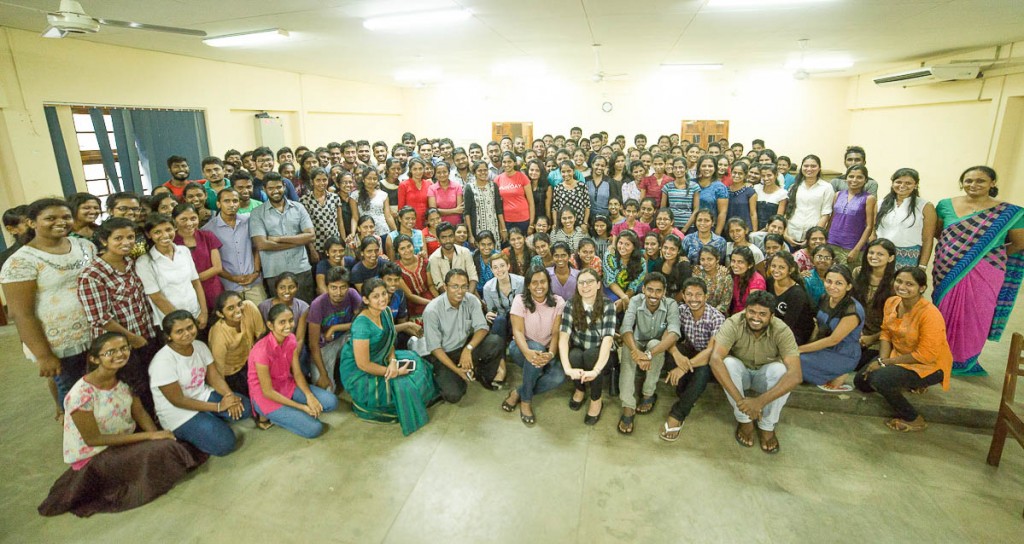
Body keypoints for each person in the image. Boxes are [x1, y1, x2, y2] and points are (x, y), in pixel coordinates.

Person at [37, 332, 206, 518]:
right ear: (94, 358)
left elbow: (139, 412)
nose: (119, 354)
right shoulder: (80, 395)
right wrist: (151, 436)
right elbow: (94, 439)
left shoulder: (125, 378)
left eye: (124, 348)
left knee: (169, 443)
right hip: (96, 455)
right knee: (164, 449)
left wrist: (158, 434)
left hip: (122, 440)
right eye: (110, 352)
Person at [1, 199, 97, 416]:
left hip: (94, 333)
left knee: (97, 391)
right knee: (75, 399)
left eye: (66, 217)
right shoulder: (20, 262)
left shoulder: (85, 247)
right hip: (59, 343)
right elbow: (21, 314)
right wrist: (44, 356)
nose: (60, 222)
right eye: (50, 218)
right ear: (32, 223)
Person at [933, 165, 1024, 375]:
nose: (973, 184)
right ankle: (935, 354)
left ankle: (964, 361)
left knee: (977, 314)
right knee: (942, 311)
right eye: (968, 180)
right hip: (947, 267)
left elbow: (1019, 243)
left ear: (992, 183)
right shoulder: (945, 205)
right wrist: (959, 252)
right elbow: (939, 232)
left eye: (980, 180)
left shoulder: (1009, 212)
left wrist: (985, 255)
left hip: (987, 271)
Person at [77, 217, 159, 415]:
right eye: (118, 238)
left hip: (145, 335)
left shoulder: (131, 263)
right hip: (119, 346)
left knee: (149, 383)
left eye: (130, 237)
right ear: (104, 241)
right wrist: (132, 339)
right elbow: (100, 318)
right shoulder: (92, 275)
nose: (126, 242)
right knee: (131, 389)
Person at [855, 267, 953, 431]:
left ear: (922, 288)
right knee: (861, 382)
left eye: (909, 284)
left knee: (879, 380)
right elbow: (886, 333)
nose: (902, 287)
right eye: (899, 281)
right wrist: (882, 360)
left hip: (928, 365)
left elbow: (925, 355)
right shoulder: (892, 302)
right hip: (898, 356)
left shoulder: (930, 314)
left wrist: (886, 363)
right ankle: (908, 383)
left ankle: (914, 418)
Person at [338, 278, 436, 435]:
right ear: (366, 300)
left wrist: (393, 361)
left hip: (383, 358)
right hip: (360, 372)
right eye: (376, 296)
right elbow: (363, 364)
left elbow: (389, 340)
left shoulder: (386, 312)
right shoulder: (361, 325)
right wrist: (391, 371)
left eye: (384, 294)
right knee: (405, 385)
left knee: (417, 363)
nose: (382, 299)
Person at [709, 290, 801, 454]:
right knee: (728, 363)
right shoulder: (733, 323)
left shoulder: (781, 330)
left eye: (762, 314)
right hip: (742, 374)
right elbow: (715, 360)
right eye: (751, 312)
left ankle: (767, 426)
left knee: (781, 370)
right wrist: (742, 403)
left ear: (772, 316)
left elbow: (796, 375)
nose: (756, 317)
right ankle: (744, 421)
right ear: (745, 311)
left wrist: (759, 402)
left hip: (764, 377)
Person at [149, 311, 251, 456]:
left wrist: (229, 397)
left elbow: (214, 377)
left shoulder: (199, 346)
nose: (187, 334)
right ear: (168, 336)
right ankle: (203, 425)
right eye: (179, 331)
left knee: (245, 407)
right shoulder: (162, 362)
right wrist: (218, 407)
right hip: (179, 412)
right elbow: (178, 400)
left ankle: (209, 420)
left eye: (190, 327)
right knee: (225, 444)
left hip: (202, 395)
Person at [249, 303, 339, 438]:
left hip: (286, 386)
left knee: (332, 402)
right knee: (315, 429)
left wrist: (309, 396)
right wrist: (302, 407)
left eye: (291, 320)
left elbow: (297, 373)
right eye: (282, 322)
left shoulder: (291, 339)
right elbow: (267, 391)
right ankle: (270, 415)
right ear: (270, 325)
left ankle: (290, 413)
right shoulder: (261, 350)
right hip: (266, 397)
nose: (288, 325)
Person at [421, 269, 505, 402]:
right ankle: (453, 374)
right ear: (445, 287)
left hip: (464, 346)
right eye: (455, 286)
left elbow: (482, 328)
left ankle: (480, 374)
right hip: (444, 354)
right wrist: (457, 370)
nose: (460, 291)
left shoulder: (471, 300)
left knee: (495, 341)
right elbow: (435, 349)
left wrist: (468, 349)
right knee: (453, 395)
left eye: (464, 286)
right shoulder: (432, 311)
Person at [660, 277, 727, 441]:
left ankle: (678, 414)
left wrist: (683, 367)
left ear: (706, 296)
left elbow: (711, 351)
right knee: (672, 352)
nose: (694, 299)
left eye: (698, 295)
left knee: (703, 370)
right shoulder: (681, 310)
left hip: (710, 357)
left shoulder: (717, 317)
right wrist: (677, 355)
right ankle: (685, 394)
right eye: (689, 294)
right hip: (690, 350)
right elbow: (667, 335)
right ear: (683, 296)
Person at [616, 273, 680, 435]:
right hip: (637, 343)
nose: (653, 295)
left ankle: (648, 394)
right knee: (627, 348)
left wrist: (649, 354)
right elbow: (626, 328)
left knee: (655, 344)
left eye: (658, 291)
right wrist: (636, 352)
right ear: (643, 289)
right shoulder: (635, 301)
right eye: (650, 290)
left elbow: (673, 333)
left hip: (656, 346)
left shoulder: (671, 304)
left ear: (664, 292)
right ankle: (628, 405)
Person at [502, 265, 566, 425]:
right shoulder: (520, 300)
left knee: (558, 377)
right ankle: (526, 401)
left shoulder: (558, 302)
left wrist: (551, 354)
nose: (539, 286)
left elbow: (556, 333)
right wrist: (527, 352)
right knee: (536, 349)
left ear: (548, 283)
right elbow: (517, 331)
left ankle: (518, 392)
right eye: (534, 282)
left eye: (543, 282)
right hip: (520, 348)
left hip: (546, 351)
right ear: (528, 285)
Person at [559, 268, 616, 425]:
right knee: (574, 355)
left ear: (598, 284)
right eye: (581, 282)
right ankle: (580, 389)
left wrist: (596, 370)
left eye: (590, 282)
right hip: (580, 347)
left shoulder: (608, 305)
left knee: (591, 355)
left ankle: (596, 399)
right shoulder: (571, 304)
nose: (585, 286)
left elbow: (608, 340)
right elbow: (563, 336)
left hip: (601, 352)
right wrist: (567, 368)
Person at [798, 265, 864, 391]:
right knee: (791, 360)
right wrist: (806, 346)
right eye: (829, 281)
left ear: (848, 286)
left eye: (839, 283)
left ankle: (839, 373)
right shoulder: (824, 298)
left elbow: (833, 340)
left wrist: (799, 349)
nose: (832, 286)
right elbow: (818, 327)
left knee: (794, 361)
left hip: (843, 354)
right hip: (824, 348)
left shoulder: (852, 309)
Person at [136, 213, 208, 329]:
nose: (165, 235)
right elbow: (156, 297)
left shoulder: (183, 251)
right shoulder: (144, 262)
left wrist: (204, 313)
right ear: (149, 235)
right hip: (172, 324)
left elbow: (195, 282)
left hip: (197, 315)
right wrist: (183, 323)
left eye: (168, 229)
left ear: (175, 228)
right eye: (157, 232)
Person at [202, 188, 267, 304]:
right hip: (228, 286)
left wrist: (256, 273)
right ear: (218, 204)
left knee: (261, 313)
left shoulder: (249, 220)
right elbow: (211, 262)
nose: (232, 205)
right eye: (227, 201)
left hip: (253, 282)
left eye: (235, 201)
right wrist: (232, 278)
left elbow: (257, 247)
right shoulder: (208, 230)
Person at [307, 266, 361, 390]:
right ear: (327, 287)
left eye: (343, 287)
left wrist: (335, 328)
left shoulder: (352, 294)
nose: (338, 292)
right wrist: (323, 374)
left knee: (366, 337)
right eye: (333, 288)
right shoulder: (317, 305)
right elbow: (313, 345)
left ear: (348, 287)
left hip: (346, 337)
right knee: (327, 391)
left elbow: (361, 323)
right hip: (325, 345)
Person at [873, 168, 937, 269]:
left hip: (909, 256)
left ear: (916, 185)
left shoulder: (925, 206)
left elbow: (927, 239)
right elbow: (873, 231)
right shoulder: (880, 203)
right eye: (898, 182)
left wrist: (922, 266)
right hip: (880, 255)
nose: (902, 186)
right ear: (892, 183)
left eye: (908, 183)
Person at [208, 291, 266, 400]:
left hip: (252, 360)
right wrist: (227, 395)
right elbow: (218, 370)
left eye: (239, 304)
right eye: (230, 308)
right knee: (257, 396)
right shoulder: (219, 335)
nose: (238, 310)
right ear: (220, 314)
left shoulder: (249, 307)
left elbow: (261, 337)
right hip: (233, 372)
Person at [852, 239, 897, 369]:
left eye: (880, 254)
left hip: (880, 339)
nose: (874, 256)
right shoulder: (857, 273)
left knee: (861, 366)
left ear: (890, 258)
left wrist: (872, 338)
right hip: (855, 333)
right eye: (871, 252)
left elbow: (894, 322)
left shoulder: (895, 282)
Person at [173, 203, 224, 314]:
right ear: (174, 221)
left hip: (212, 290)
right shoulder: (171, 242)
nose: (189, 223)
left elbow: (217, 267)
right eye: (183, 219)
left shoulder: (207, 236)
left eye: (193, 218)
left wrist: (193, 280)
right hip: (187, 293)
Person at [828, 165, 876, 265]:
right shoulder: (838, 194)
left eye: (859, 177)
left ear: (865, 180)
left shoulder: (869, 198)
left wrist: (857, 249)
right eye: (851, 176)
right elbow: (832, 219)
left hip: (852, 246)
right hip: (832, 242)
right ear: (846, 178)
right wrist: (826, 239)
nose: (854, 180)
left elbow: (869, 226)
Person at [764, 251, 816, 345]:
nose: (776, 270)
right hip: (773, 326)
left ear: (791, 270)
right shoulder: (770, 281)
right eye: (773, 266)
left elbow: (788, 326)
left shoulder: (797, 294)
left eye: (781, 267)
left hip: (794, 333)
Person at [785, 155, 835, 245]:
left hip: (812, 238)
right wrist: (785, 234)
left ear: (819, 168)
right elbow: (788, 211)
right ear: (801, 167)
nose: (809, 169)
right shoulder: (794, 186)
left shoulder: (826, 187)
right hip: (791, 233)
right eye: (806, 166)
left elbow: (826, 214)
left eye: (813, 166)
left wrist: (813, 237)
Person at [300, 167, 346, 254]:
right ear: (312, 182)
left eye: (324, 180)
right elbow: (304, 228)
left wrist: (343, 243)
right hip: (316, 245)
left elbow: (340, 222)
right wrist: (312, 250)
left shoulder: (335, 197)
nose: (322, 183)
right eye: (318, 180)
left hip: (335, 245)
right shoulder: (304, 200)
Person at [427, 221, 478, 293]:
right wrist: (452, 297)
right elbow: (439, 284)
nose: (448, 240)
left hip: (466, 292)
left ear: (454, 236)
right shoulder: (433, 258)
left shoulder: (465, 252)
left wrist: (468, 295)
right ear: (438, 239)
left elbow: (473, 277)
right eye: (443, 237)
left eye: (450, 236)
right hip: (446, 295)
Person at [603, 229, 647, 312]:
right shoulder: (609, 256)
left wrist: (625, 297)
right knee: (613, 304)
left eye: (627, 244)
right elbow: (610, 281)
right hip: (611, 289)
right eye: (620, 243)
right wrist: (623, 297)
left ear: (634, 247)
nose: (622, 247)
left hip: (631, 291)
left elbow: (634, 286)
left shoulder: (641, 262)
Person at [482, 253, 523, 340]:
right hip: (501, 321)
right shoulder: (487, 288)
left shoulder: (521, 282)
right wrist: (489, 314)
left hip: (518, 319)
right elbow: (491, 311)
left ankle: (515, 342)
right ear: (492, 270)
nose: (499, 270)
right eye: (495, 267)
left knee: (515, 317)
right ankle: (499, 345)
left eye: (502, 266)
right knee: (499, 320)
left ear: (508, 266)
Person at [463, 160, 505, 246]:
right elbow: (467, 213)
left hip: (494, 228)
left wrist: (503, 229)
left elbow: (499, 209)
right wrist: (470, 235)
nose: (483, 172)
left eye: (485, 170)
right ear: (474, 172)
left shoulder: (493, 186)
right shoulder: (469, 188)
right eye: (480, 170)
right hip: (477, 229)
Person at [495, 151, 534, 235]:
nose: (506, 164)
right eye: (504, 162)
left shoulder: (523, 177)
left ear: (515, 163)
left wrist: (531, 224)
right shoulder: (497, 179)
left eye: (509, 162)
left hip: (523, 219)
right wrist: (502, 226)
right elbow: (497, 205)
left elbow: (531, 203)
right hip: (507, 220)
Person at [355, 166, 397, 236]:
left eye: (374, 179)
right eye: (369, 178)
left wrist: (396, 232)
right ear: (363, 179)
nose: (372, 181)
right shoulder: (355, 195)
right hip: (366, 232)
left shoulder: (383, 195)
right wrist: (353, 233)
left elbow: (388, 216)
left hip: (383, 231)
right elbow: (355, 217)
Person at [662, 157, 701, 232]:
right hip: (671, 227)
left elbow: (696, 209)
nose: (678, 170)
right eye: (675, 168)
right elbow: (663, 209)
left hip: (689, 227)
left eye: (681, 167)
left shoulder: (694, 186)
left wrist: (685, 228)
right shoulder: (667, 187)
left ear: (686, 169)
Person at [693, 155, 729, 235]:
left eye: (710, 166)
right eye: (704, 166)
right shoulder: (691, 183)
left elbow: (722, 212)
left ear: (715, 168)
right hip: (690, 226)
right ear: (699, 167)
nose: (707, 168)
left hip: (710, 228)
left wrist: (717, 234)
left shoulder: (720, 187)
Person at [552, 160, 591, 228]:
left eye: (569, 171)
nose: (566, 174)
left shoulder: (582, 186)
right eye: (563, 172)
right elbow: (555, 208)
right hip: (564, 224)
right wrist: (555, 224)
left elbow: (587, 206)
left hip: (580, 224)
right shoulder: (558, 188)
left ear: (574, 171)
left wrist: (585, 223)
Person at [694, 245, 732, 315]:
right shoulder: (696, 274)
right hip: (697, 312)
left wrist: (709, 314)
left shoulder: (725, 278)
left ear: (717, 259)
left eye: (709, 259)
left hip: (718, 315)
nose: (706, 263)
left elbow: (724, 304)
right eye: (702, 259)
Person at [729, 247, 766, 314]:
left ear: (750, 265)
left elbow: (754, 308)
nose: (735, 265)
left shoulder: (757, 281)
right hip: (734, 314)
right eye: (733, 261)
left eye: (740, 262)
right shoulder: (735, 276)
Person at [398, 158, 432, 229]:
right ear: (410, 170)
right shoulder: (404, 185)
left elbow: (430, 206)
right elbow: (401, 208)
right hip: (410, 222)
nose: (418, 172)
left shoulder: (429, 184)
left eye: (420, 169)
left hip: (426, 222)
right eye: (415, 169)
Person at [427, 161, 464, 227]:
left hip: (456, 225)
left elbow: (460, 210)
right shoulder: (432, 188)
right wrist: (454, 210)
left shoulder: (457, 187)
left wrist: (441, 211)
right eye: (439, 172)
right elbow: (433, 211)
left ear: (449, 173)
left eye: (444, 172)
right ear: (435, 174)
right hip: (439, 226)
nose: (442, 175)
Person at [754, 164, 788, 230]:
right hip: (755, 227)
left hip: (772, 229)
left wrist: (765, 230)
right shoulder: (756, 188)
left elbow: (779, 217)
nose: (766, 178)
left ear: (776, 175)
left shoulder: (782, 194)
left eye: (769, 175)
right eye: (763, 176)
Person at [726, 162, 758, 231]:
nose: (736, 175)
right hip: (728, 228)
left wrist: (754, 232)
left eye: (740, 173)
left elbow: (753, 214)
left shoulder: (750, 192)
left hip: (744, 229)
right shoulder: (725, 190)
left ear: (745, 175)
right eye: (734, 172)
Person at [803, 244, 835, 308]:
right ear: (812, 259)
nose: (823, 260)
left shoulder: (836, 277)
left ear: (832, 261)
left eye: (827, 258)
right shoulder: (807, 279)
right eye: (819, 257)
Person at [471, 230, 499, 296]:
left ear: (493, 244)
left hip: (495, 292)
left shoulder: (498, 256)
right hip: (477, 293)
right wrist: (479, 300)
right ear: (477, 244)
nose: (486, 248)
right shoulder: (472, 256)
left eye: (489, 244)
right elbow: (471, 281)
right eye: (483, 244)